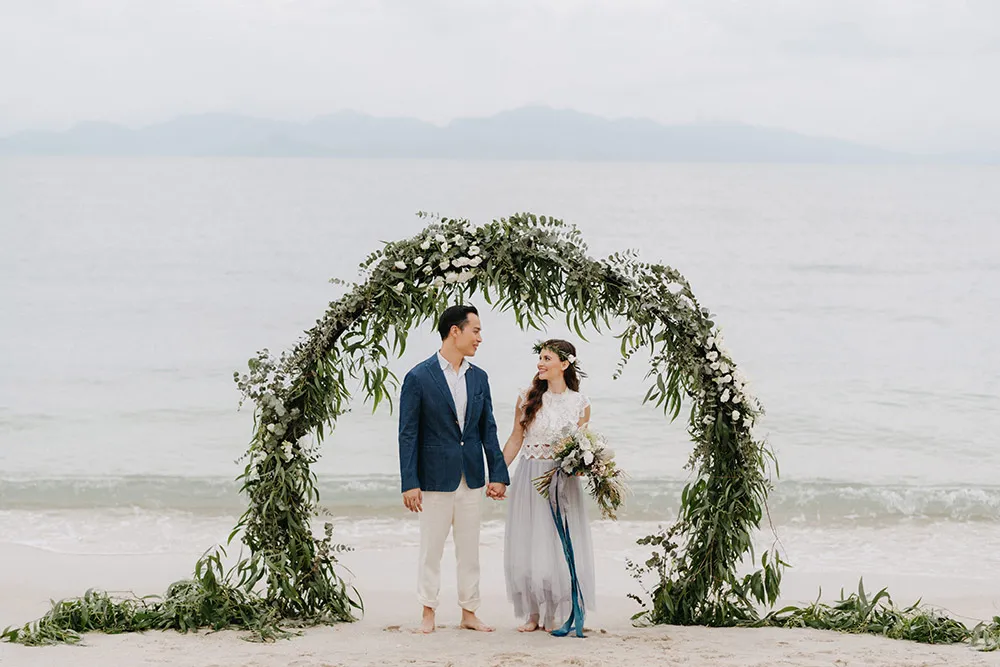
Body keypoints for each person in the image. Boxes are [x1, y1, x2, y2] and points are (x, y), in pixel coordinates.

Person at [398, 304, 510, 634]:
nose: (480, 338)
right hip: (433, 479)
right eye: (475, 330)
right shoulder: (418, 377)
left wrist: (499, 475)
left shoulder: (479, 377)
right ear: (455, 331)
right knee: (431, 548)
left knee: (470, 550)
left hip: (472, 477)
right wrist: (410, 482)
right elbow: (408, 433)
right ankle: (428, 612)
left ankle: (469, 612)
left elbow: (487, 428)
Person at [501, 339, 595, 633]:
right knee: (529, 539)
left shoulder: (580, 404)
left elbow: (582, 447)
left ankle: (554, 611)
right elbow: (516, 439)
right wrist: (496, 473)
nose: (540, 363)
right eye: (539, 358)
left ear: (564, 364)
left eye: (547, 358)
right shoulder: (527, 396)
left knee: (557, 542)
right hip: (530, 477)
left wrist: (586, 466)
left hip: (561, 481)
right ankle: (531, 613)